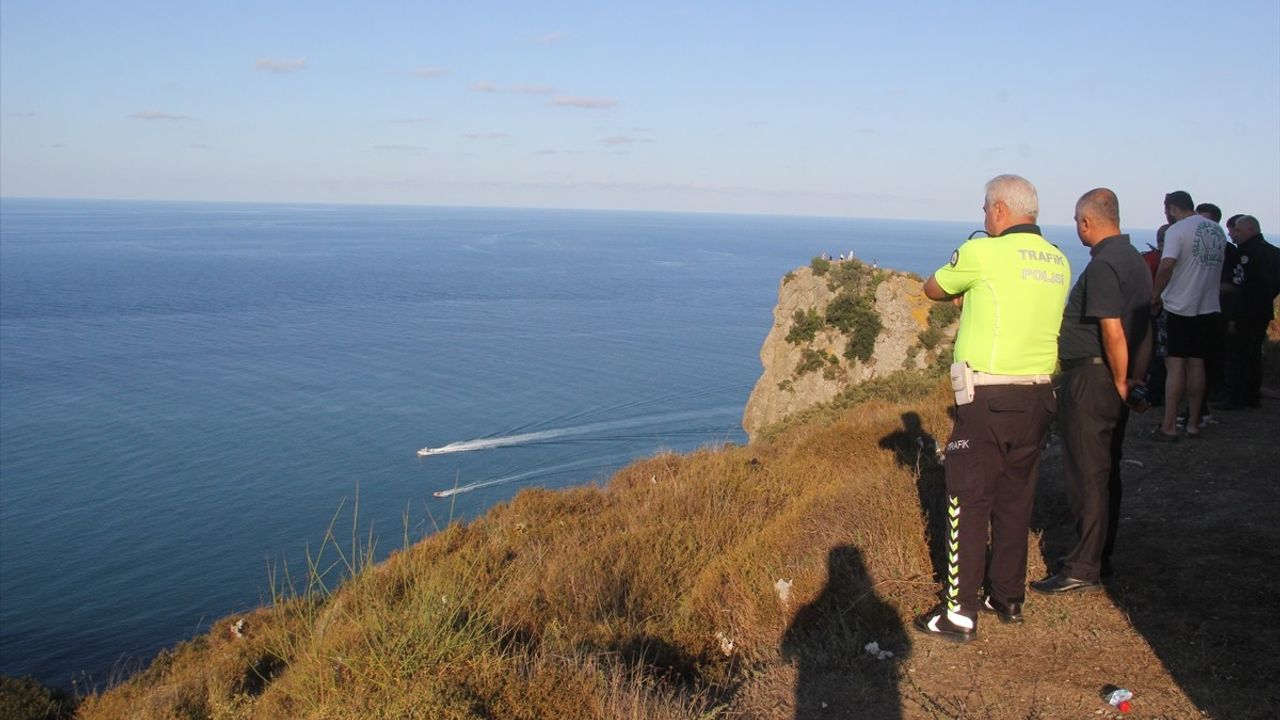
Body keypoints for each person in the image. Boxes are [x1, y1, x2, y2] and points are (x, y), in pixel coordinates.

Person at [913, 175, 1069, 642]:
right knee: (1015, 497)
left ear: (1000, 210)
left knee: (966, 496)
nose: (983, 217)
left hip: (988, 396)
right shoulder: (1058, 260)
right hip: (1039, 396)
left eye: (985, 209)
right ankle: (1007, 596)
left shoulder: (983, 252)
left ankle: (959, 613)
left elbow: (933, 288)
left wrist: (966, 283)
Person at [1031, 189, 1151, 595]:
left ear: (1086, 222)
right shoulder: (1135, 260)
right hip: (1116, 378)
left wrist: (1119, 379)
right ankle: (1101, 557)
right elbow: (1145, 327)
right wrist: (1135, 377)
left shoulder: (1103, 265)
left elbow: (1111, 328)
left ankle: (1082, 567)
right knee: (1105, 469)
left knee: (1087, 475)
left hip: (1093, 380)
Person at [1151, 191, 1226, 440]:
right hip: (1209, 306)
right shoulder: (1216, 231)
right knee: (1197, 363)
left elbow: (1167, 264)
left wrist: (1155, 294)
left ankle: (1169, 425)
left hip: (1179, 306)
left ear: (1172, 208)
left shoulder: (1177, 230)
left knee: (1175, 366)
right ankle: (1193, 423)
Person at [1222, 215, 1279, 409]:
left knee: (1238, 355)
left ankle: (1236, 398)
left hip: (1246, 312)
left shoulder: (1247, 253)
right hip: (1262, 311)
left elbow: (1243, 287)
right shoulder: (1271, 251)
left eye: (1238, 230)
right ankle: (1252, 396)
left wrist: (1235, 316)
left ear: (1250, 230)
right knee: (1253, 355)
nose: (1234, 235)